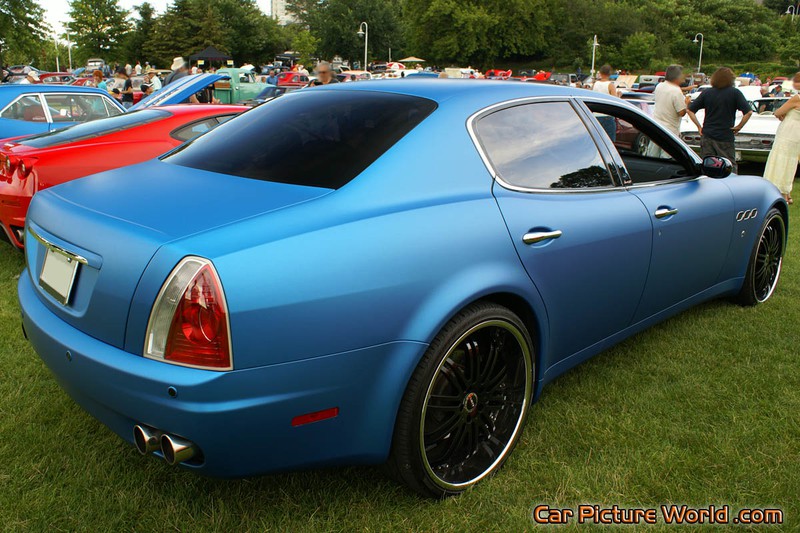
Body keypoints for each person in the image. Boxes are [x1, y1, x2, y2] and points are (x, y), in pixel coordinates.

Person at [686, 67, 753, 173]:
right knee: (728, 165)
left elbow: (690, 110)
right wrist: (739, 127)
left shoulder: (707, 93)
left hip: (707, 134)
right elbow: (748, 112)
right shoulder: (735, 93)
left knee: (708, 164)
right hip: (725, 135)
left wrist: (699, 126)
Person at [763, 72, 800, 204]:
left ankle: (780, 192)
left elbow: (778, 112)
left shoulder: (796, 98)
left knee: (780, 159)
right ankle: (787, 193)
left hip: (788, 130)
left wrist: (780, 114)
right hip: (797, 133)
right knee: (790, 161)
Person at [652, 65, 691, 137]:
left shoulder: (659, 86)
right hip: (670, 130)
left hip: (656, 125)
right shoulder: (676, 91)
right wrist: (687, 103)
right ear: (677, 76)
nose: (684, 77)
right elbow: (681, 112)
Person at [592, 64, 620, 140]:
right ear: (610, 74)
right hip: (607, 116)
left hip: (595, 116)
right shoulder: (610, 85)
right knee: (609, 141)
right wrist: (619, 95)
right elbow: (615, 101)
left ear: (600, 73)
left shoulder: (595, 84)